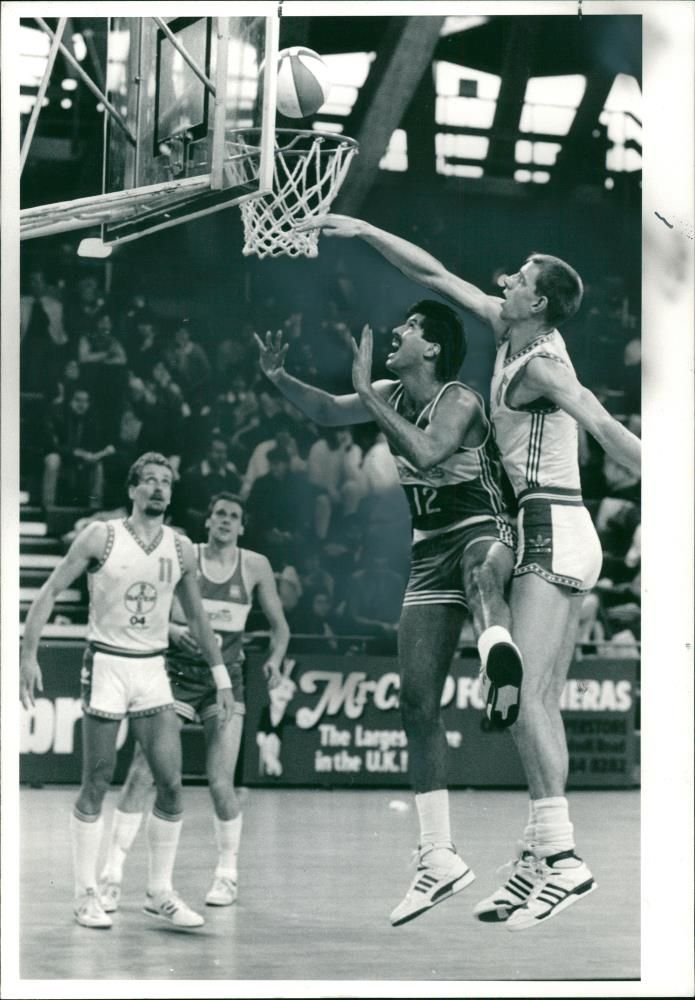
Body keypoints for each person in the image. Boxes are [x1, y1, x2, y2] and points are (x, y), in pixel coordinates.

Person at [304, 213, 641, 931]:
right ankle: (538, 855)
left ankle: (561, 858)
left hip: (549, 523)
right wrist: (360, 228)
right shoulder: (503, 326)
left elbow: (596, 418)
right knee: (536, 703)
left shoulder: (542, 363)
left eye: (519, 277)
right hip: (553, 528)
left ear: (538, 303)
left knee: (522, 701)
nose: (506, 279)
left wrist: (658, 471)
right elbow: (429, 273)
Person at [255, 298, 524, 927]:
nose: (395, 334)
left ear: (430, 348)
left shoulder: (458, 399)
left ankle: (497, 661)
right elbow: (325, 411)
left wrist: (366, 394)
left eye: (406, 330)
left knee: (484, 575)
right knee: (414, 703)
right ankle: (438, 856)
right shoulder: (385, 390)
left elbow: (429, 453)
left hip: (482, 525)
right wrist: (279, 379)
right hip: (427, 551)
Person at [20, 452, 235, 930]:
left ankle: (159, 891)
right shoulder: (103, 536)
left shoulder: (180, 549)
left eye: (166, 482)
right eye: (150, 481)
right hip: (107, 665)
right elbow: (51, 591)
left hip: (152, 669)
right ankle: (85, 893)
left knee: (172, 784)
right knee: (97, 781)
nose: (159, 488)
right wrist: (27, 655)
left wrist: (221, 675)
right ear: (133, 489)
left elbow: (198, 617)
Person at [98, 492, 289, 910]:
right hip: (177, 676)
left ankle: (227, 875)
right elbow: (144, 605)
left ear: (242, 526)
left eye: (233, 516)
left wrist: (275, 660)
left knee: (221, 781)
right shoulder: (183, 555)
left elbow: (280, 628)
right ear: (208, 521)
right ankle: (111, 876)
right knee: (143, 771)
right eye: (218, 513)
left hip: (226, 682)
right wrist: (169, 631)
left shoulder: (254, 566)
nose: (224, 520)